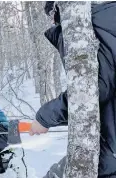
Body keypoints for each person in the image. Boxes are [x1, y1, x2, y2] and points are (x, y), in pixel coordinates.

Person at [29, 2, 116, 177]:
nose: (52, 22)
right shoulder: (107, 20)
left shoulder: (85, 27)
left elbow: (93, 90)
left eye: (51, 16)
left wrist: (45, 118)